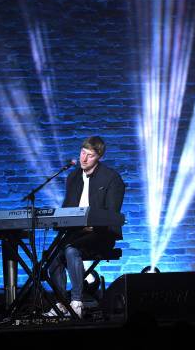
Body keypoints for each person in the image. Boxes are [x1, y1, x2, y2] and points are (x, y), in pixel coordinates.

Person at [44, 136, 125, 318]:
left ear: (99, 157)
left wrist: (90, 224)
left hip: (101, 234)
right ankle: (61, 303)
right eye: (82, 153)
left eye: (90, 155)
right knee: (53, 257)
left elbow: (111, 215)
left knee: (71, 250)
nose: (84, 158)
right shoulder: (73, 177)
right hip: (75, 233)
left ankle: (77, 302)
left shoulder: (111, 178)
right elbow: (67, 208)